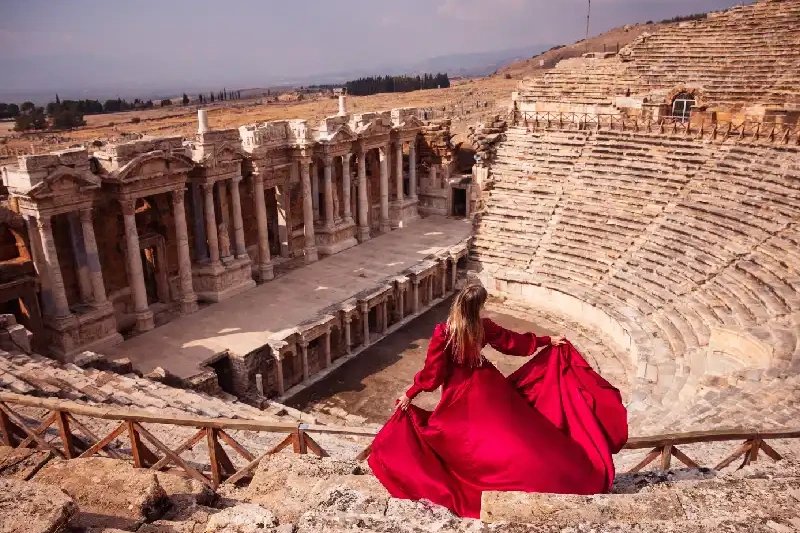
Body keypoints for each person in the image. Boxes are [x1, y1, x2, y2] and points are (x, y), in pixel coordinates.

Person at [368, 283, 628, 519]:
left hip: (460, 392)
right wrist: (546, 340)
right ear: (478, 306)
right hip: (488, 385)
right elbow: (512, 343)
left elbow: (433, 374)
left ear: (458, 302)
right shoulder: (484, 326)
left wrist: (410, 394)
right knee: (509, 433)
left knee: (456, 439)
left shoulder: (444, 332)